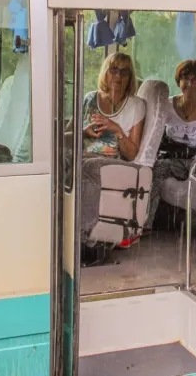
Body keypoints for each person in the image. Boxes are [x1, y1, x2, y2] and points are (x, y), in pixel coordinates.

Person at [148, 59, 196, 294]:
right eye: (186, 78)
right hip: (174, 156)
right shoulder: (166, 105)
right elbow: (155, 137)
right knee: (155, 171)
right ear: (179, 81)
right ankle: (145, 226)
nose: (190, 83)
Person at [80, 53, 146, 254]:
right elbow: (68, 134)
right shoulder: (90, 99)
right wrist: (84, 131)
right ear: (105, 73)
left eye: (124, 71)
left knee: (88, 167)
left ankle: (85, 237)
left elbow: (132, 153)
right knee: (66, 162)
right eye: (113, 70)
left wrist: (117, 129)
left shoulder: (136, 105)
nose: (118, 76)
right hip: (84, 156)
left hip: (114, 162)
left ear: (130, 76)